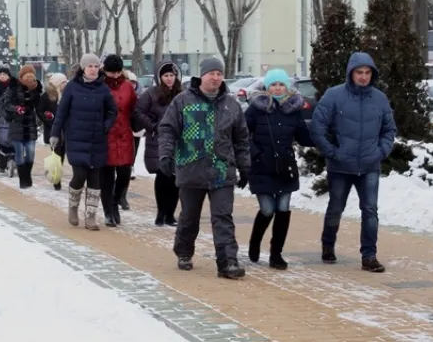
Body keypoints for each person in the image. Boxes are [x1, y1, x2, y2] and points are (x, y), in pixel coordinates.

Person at [158, 57, 250, 279]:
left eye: (219, 74)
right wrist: (166, 154)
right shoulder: (183, 101)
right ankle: (184, 251)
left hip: (221, 170)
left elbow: (241, 139)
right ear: (202, 76)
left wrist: (245, 166)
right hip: (191, 168)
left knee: (223, 217)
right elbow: (168, 129)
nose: (216, 78)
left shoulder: (231, 105)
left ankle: (228, 261)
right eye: (212, 74)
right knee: (189, 217)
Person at [309, 52, 397, 273]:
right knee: (336, 208)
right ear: (351, 73)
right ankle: (328, 244)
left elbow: (389, 129)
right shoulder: (334, 96)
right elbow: (318, 127)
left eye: (367, 73)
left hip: (369, 165)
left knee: (370, 210)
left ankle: (369, 256)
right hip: (340, 166)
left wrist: (381, 152)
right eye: (359, 72)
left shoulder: (379, 99)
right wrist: (332, 152)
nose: (363, 77)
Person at [243, 68, 315, 270]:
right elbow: (241, 134)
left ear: (287, 87)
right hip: (261, 167)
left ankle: (276, 254)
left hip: (285, 168)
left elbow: (303, 136)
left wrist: (324, 136)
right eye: (273, 84)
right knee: (267, 209)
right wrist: (254, 153)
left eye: (281, 84)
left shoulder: (293, 110)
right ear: (267, 87)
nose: (277, 88)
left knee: (283, 209)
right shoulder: (256, 109)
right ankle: (255, 242)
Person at [50, 53, 118, 231]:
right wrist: (55, 133)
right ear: (83, 68)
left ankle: (91, 216)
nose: (93, 69)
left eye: (96, 66)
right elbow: (62, 112)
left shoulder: (103, 89)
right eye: (90, 66)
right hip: (76, 138)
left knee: (95, 179)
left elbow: (112, 111)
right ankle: (73, 207)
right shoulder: (72, 87)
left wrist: (106, 125)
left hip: (97, 140)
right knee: (79, 175)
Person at [135, 60, 183, 227]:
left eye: (171, 75)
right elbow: (139, 112)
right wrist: (153, 125)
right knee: (163, 176)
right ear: (160, 77)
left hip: (179, 140)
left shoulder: (182, 93)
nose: (169, 79)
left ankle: (170, 214)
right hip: (159, 139)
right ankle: (161, 212)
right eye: (165, 75)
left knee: (176, 178)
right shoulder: (151, 94)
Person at [99, 54, 138, 227]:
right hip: (105, 135)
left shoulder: (128, 86)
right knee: (106, 176)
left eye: (117, 72)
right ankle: (108, 210)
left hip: (124, 134)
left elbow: (135, 108)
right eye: (110, 72)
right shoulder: (98, 86)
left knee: (124, 174)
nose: (114, 75)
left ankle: (115, 202)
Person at [0, 65, 43, 189]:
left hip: (30, 125)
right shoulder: (13, 87)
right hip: (16, 124)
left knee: (31, 153)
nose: (29, 78)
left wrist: (45, 116)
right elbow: (7, 103)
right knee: (19, 153)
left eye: (32, 76)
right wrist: (16, 108)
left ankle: (27, 175)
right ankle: (23, 180)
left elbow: (39, 107)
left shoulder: (36, 89)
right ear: (21, 77)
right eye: (27, 76)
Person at [37, 73, 67, 147]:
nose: (66, 84)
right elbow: (39, 110)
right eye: (63, 82)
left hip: (66, 130)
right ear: (57, 83)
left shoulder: (67, 94)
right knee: (55, 154)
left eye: (66, 82)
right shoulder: (46, 95)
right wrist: (48, 120)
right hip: (52, 129)